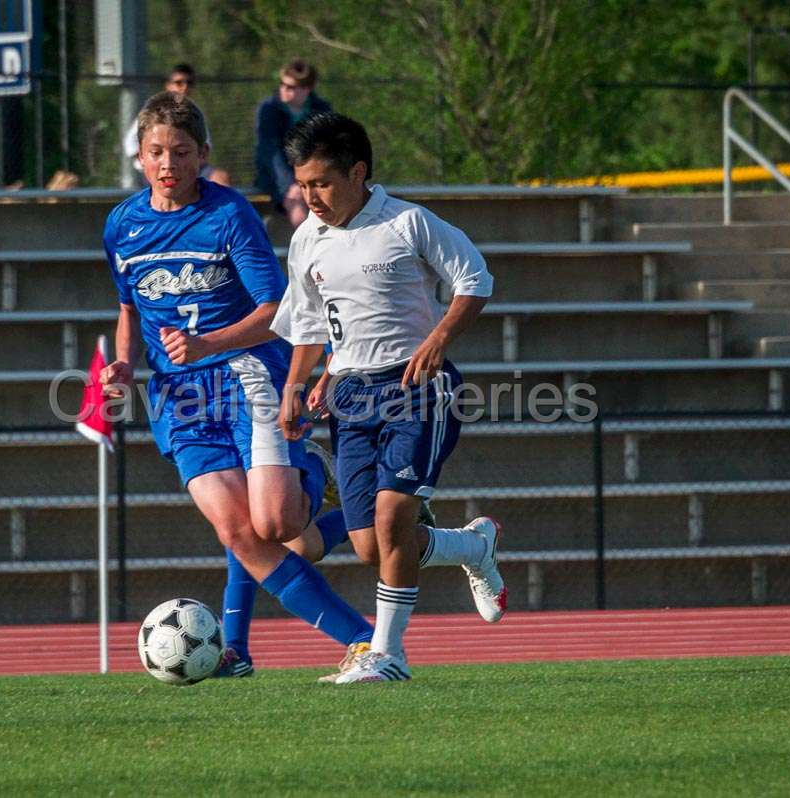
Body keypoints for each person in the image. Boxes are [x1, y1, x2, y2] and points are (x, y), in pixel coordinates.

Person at [100, 91, 367, 679]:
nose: (168, 163)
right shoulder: (121, 225)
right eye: (155, 152)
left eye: (180, 151)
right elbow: (128, 308)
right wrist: (123, 364)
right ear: (139, 158)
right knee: (237, 529)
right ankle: (362, 639)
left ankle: (314, 474)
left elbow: (276, 308)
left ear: (202, 155)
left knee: (277, 526)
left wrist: (209, 344)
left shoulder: (229, 215)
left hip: (247, 377)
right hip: (178, 399)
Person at [273, 112, 507, 684]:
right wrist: (296, 386)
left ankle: (388, 654)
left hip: (415, 388)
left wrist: (438, 339)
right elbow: (308, 324)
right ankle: (472, 547)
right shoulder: (307, 239)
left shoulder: (409, 223)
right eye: (303, 185)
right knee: (368, 546)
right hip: (350, 395)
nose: (311, 197)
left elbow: (475, 279)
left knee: (391, 514)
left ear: (358, 173)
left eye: (322, 183)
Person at [123, 64, 230, 187]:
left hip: (190, 170)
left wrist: (189, 164)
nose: (184, 87)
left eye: (189, 83)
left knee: (220, 178)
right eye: (179, 83)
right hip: (156, 174)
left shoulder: (196, 113)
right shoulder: (154, 112)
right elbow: (130, 144)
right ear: (168, 85)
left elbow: (204, 148)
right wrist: (151, 161)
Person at [254, 59, 331, 228]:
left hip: (314, 174)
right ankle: (309, 251)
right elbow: (270, 153)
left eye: (290, 87)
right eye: (282, 84)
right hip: (277, 178)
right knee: (297, 204)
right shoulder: (268, 109)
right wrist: (290, 184)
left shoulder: (322, 109)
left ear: (307, 89)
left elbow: (326, 149)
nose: (283, 90)